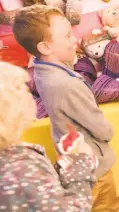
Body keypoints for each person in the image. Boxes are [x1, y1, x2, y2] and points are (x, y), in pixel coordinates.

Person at [13, 5, 119, 212]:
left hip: (71, 154)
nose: (74, 40)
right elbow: (101, 129)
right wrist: (109, 131)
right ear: (45, 47)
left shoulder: (43, 70)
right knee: (107, 206)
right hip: (93, 164)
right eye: (68, 35)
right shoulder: (68, 86)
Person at [0, 61, 97, 211]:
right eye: (24, 90)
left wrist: (61, 167)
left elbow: (36, 197)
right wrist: (79, 162)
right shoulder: (19, 169)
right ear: (11, 108)